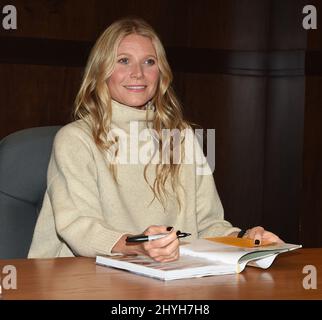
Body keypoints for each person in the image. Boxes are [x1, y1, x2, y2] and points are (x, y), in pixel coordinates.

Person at [28, 17, 282, 262]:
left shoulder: (182, 137)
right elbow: (79, 228)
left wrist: (247, 240)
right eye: (123, 61)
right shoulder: (75, 139)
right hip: (78, 278)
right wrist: (138, 246)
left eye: (149, 61)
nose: (137, 73)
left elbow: (206, 224)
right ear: (100, 71)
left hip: (164, 278)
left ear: (161, 72)